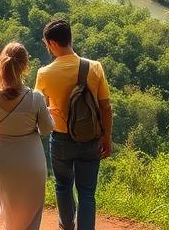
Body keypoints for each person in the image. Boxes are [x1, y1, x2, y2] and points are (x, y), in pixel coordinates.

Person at [35, 19, 112, 230]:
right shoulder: (94, 68)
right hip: (90, 139)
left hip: (60, 139)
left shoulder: (44, 74)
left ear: (51, 43)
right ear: (70, 38)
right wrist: (106, 137)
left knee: (63, 185)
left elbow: (39, 108)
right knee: (87, 192)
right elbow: (106, 107)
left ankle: (67, 226)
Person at [0, 42, 55, 230]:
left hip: (2, 159)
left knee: (8, 209)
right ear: (25, 66)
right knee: (32, 213)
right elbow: (46, 129)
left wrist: (4, 127)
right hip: (31, 159)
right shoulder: (35, 98)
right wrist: (48, 113)